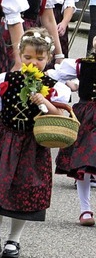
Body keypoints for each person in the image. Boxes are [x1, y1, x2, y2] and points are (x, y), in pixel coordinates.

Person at [0, 28, 71, 258]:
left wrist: (44, 101)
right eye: (27, 57)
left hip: (31, 145)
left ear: (47, 58)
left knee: (24, 190)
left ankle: (14, 240)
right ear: (19, 55)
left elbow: (60, 115)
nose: (33, 63)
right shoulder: (5, 79)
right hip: (4, 139)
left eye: (39, 58)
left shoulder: (53, 85)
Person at [50, 36, 96, 226]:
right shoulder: (81, 65)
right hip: (86, 117)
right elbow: (55, 75)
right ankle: (85, 209)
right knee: (83, 164)